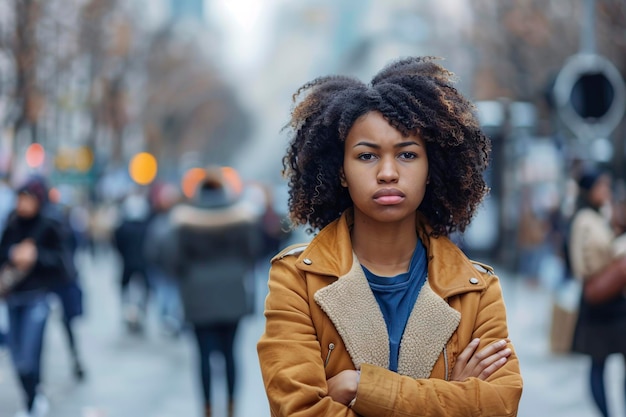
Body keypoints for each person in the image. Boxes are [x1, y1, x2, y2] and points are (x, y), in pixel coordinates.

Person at [257, 56, 523, 416]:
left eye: (407, 154)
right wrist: (450, 395)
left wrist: (362, 387)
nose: (387, 173)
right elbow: (299, 410)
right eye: (367, 156)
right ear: (341, 172)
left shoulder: (476, 289)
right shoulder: (297, 280)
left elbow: (500, 406)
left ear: (432, 168)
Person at [154, 167, 263, 417]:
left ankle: (207, 408)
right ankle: (232, 406)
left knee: (203, 355)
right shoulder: (240, 216)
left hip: (198, 295)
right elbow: (252, 251)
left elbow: (171, 258)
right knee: (230, 354)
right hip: (233, 294)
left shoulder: (185, 219)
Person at [0, 176, 68, 417]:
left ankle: (34, 398)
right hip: (14, 297)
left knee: (30, 355)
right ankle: (31, 398)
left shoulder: (49, 225)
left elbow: (63, 264)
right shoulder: (12, 224)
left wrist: (36, 255)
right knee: (16, 357)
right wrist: (13, 253)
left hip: (37, 297)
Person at [568, 168, 626, 417]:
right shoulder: (584, 220)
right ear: (590, 190)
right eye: (601, 186)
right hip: (599, 299)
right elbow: (581, 264)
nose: (606, 191)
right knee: (598, 363)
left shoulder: (599, 217)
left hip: (613, 301)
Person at [112, 192, 151, 333]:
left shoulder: (122, 227)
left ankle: (130, 315)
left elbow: (116, 245)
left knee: (127, 293)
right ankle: (138, 315)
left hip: (128, 264)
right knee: (143, 292)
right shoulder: (147, 227)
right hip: (141, 264)